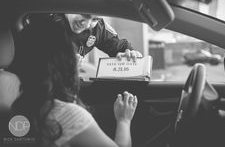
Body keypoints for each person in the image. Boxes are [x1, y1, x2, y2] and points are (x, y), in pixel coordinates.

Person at [10, 16, 138, 147]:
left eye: (94, 19)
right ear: (67, 61)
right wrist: (124, 120)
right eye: (72, 53)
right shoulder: (69, 116)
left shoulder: (16, 107)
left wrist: (128, 53)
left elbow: (120, 45)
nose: (88, 24)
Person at [50, 13, 142, 63]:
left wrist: (130, 54)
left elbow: (118, 46)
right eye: (84, 14)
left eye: (95, 19)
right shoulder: (45, 20)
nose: (86, 25)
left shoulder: (97, 28)